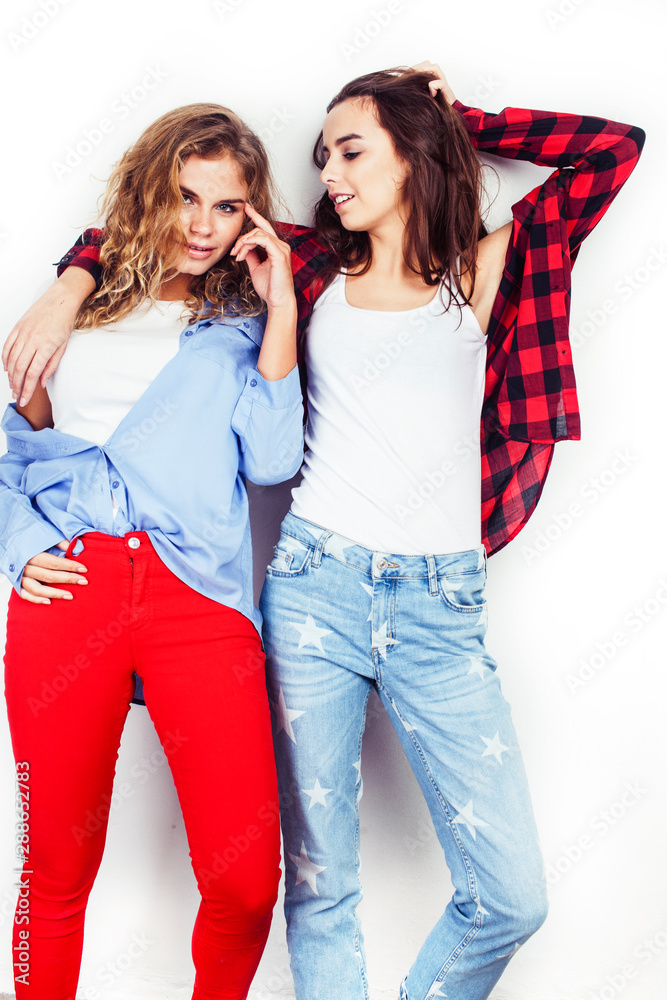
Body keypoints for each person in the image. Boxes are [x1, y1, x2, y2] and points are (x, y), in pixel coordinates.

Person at [4, 64, 645, 1000]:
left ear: (410, 153)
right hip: (312, 588)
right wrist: (71, 280)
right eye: (323, 156)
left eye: (350, 149)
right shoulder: (310, 264)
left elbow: (608, 155)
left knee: (504, 896)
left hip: (433, 600)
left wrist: (460, 114)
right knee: (315, 886)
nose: (332, 173)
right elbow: (167, 217)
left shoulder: (475, 269)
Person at [0, 102, 304, 1000]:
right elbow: (14, 453)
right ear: (148, 193)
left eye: (226, 205)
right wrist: (20, 549)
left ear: (251, 215)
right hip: (71, 590)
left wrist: (280, 307)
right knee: (56, 867)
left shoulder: (241, 326)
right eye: (184, 198)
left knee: (245, 883)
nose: (203, 225)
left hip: (198, 601)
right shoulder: (76, 308)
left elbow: (275, 460)